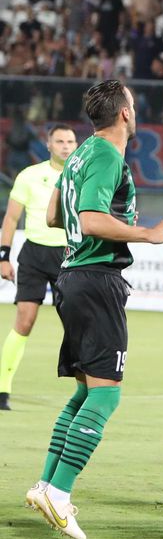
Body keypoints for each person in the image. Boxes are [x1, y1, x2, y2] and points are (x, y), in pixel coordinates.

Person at [26, 81, 163, 539]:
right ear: (126, 113)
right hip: (95, 280)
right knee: (106, 395)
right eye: (132, 101)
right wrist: (146, 233)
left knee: (83, 394)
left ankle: (46, 485)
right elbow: (89, 219)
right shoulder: (108, 157)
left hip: (72, 278)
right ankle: (60, 490)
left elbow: (55, 216)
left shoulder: (78, 156)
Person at [0, 125, 77, 411]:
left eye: (70, 141)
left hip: (68, 255)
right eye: (60, 141)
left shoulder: (82, 176)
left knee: (75, 324)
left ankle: (84, 388)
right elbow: (10, 219)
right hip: (33, 253)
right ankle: (2, 389)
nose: (65, 146)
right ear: (48, 145)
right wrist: (3, 256)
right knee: (24, 320)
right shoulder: (29, 176)